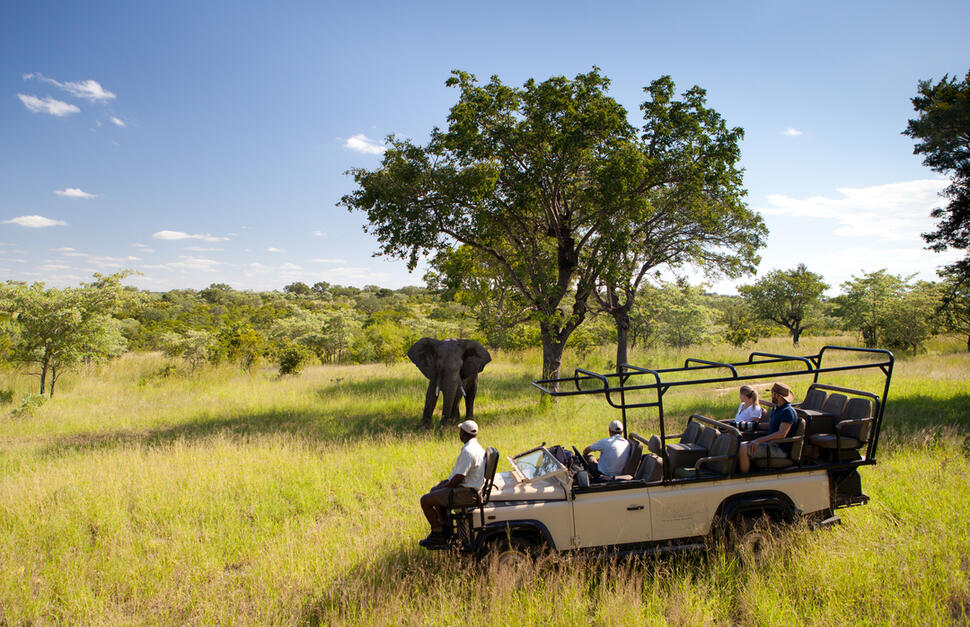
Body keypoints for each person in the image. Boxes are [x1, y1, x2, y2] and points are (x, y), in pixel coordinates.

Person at [419, 419, 485, 548]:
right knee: (434, 491)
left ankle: (437, 534)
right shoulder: (477, 448)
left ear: (464, 434)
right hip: (470, 489)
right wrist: (443, 485)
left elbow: (459, 477)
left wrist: (445, 486)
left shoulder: (468, 452)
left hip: (465, 493)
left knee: (425, 501)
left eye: (460, 431)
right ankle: (445, 527)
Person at [738, 382, 798, 473]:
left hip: (778, 449)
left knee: (743, 448)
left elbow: (781, 434)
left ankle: (744, 476)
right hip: (770, 444)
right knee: (737, 444)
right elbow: (772, 425)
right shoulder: (777, 408)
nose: (771, 395)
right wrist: (751, 425)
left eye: (772, 393)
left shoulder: (787, 412)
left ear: (777, 396)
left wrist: (758, 440)